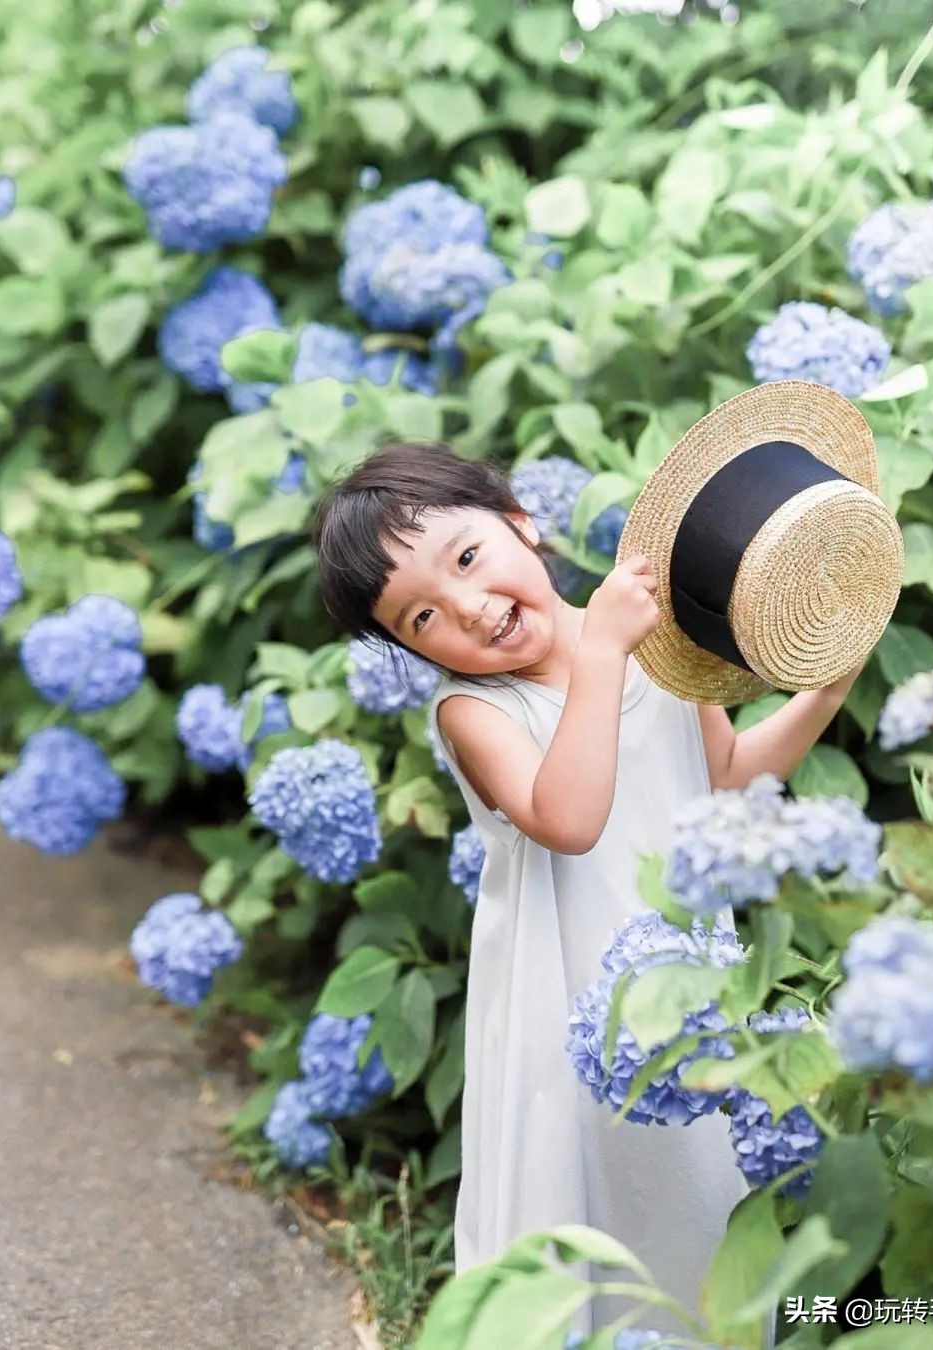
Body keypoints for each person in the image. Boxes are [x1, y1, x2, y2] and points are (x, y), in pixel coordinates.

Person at [312, 440, 864, 1339]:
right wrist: (603, 649)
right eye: (422, 619)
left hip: (686, 979)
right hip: (564, 1001)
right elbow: (567, 817)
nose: (469, 608)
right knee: (586, 1197)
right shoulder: (475, 712)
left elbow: (722, 778)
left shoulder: (655, 645)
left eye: (466, 558)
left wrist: (825, 690)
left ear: (520, 523)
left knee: (693, 1181)